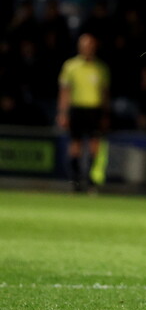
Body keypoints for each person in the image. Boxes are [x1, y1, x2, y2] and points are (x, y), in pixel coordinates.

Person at [56, 33, 110, 192]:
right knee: (75, 144)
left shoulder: (101, 68)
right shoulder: (70, 66)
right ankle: (75, 179)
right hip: (77, 109)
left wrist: (105, 114)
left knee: (95, 145)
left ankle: (92, 179)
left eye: (90, 45)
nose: (87, 48)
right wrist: (63, 113)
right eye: (85, 45)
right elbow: (65, 91)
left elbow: (105, 93)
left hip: (94, 110)